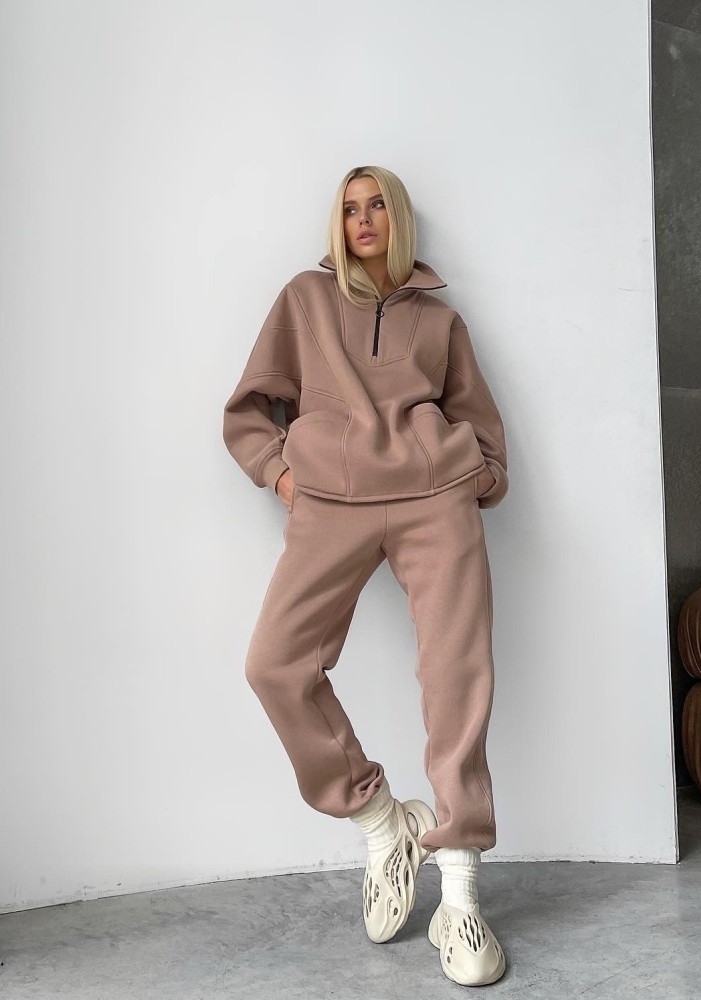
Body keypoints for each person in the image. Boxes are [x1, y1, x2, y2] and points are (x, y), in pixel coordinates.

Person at [222, 165, 509, 986]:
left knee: (456, 678)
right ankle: (383, 821)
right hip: (331, 503)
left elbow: (480, 423)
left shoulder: (440, 320)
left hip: (434, 500)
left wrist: (476, 479)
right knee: (275, 665)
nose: (363, 218)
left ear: (399, 216)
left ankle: (460, 897)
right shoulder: (304, 300)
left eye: (377, 203)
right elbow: (248, 409)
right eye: (349, 208)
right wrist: (282, 475)